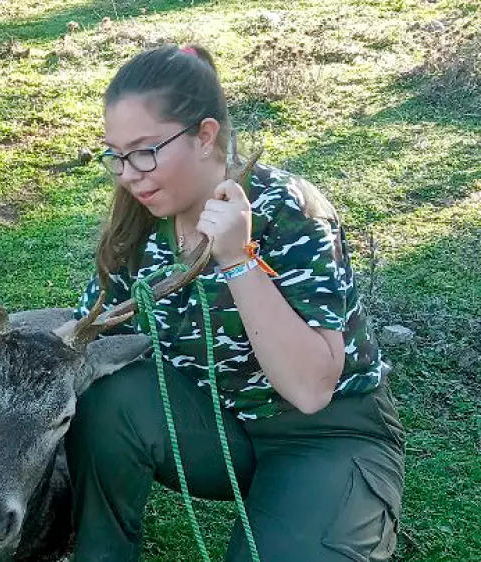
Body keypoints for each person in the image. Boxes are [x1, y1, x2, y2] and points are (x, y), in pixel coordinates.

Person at [66, 45, 405, 561]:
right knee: (104, 392)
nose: (128, 174)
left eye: (144, 151)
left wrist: (238, 260)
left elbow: (312, 390)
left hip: (324, 434)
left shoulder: (289, 208)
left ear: (204, 136)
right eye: (115, 155)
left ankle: (305, 505)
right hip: (214, 423)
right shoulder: (136, 223)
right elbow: (90, 335)